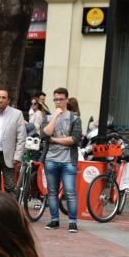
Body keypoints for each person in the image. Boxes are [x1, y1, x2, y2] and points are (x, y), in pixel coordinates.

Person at [42, 87, 83, 232]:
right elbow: (45, 135)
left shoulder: (75, 118)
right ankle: (54, 220)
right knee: (52, 192)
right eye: (56, 99)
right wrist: (55, 117)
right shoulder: (47, 118)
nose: (58, 102)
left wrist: (54, 139)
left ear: (66, 99)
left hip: (68, 161)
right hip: (50, 160)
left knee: (70, 192)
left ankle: (73, 222)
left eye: (61, 99)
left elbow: (75, 139)